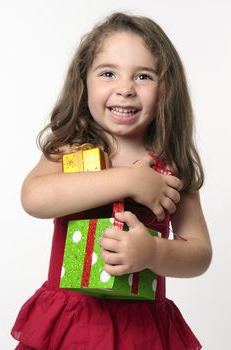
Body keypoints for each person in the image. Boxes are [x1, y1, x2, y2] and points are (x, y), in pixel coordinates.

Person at [11, 12, 212, 350]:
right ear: (84, 81)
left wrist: (153, 252)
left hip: (141, 332)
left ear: (166, 89)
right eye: (108, 73)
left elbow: (200, 253)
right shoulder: (69, 148)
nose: (125, 89)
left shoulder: (171, 165)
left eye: (144, 76)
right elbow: (34, 198)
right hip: (70, 323)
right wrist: (127, 181)